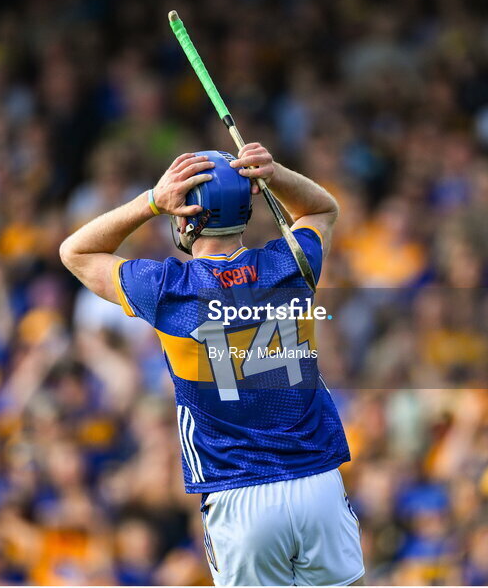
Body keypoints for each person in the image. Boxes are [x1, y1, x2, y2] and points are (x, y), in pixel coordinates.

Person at [59, 143, 364, 585]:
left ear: (187, 218)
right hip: (316, 481)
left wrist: (151, 201)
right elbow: (322, 210)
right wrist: (274, 175)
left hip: (236, 494)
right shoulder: (291, 263)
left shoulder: (168, 288)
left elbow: (76, 252)